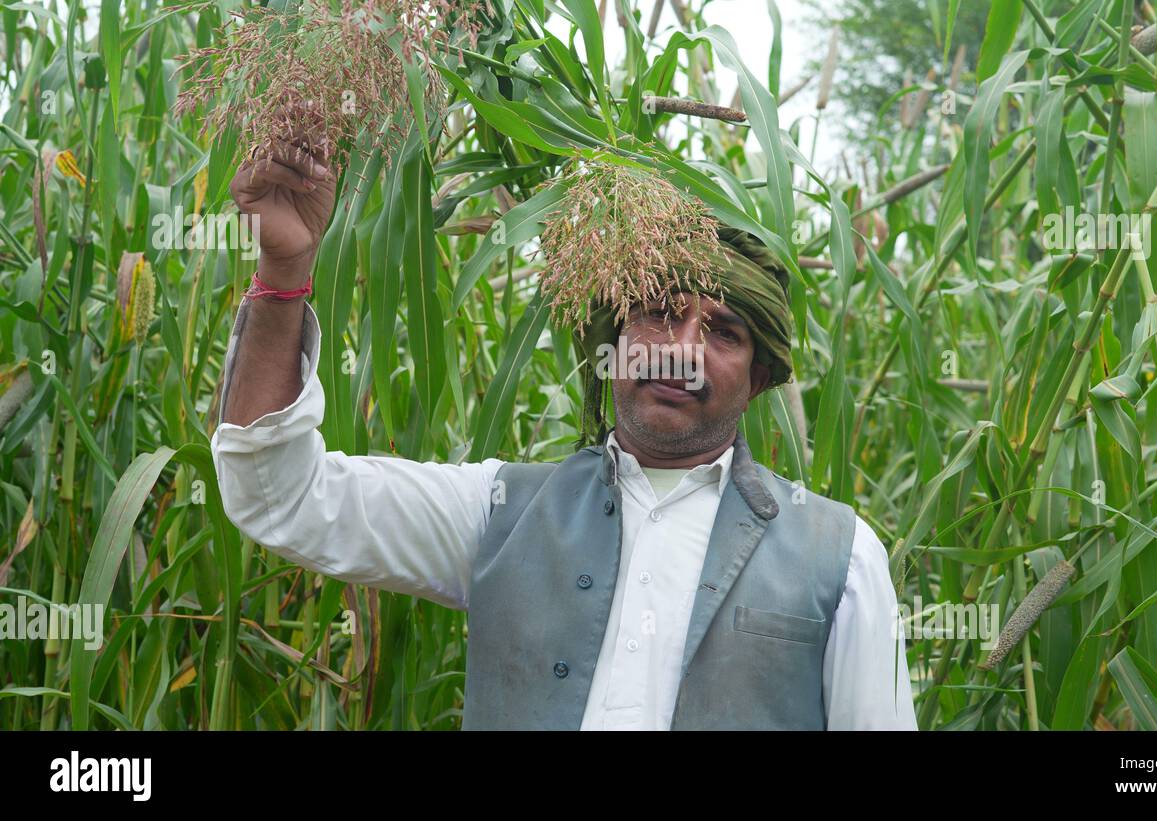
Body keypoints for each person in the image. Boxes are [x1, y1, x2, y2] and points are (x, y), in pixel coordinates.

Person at [211, 136, 918, 730]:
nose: (681, 349)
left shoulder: (842, 559)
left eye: (723, 332)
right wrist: (283, 272)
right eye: (660, 313)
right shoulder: (498, 513)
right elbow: (283, 497)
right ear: (612, 338)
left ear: (760, 378)